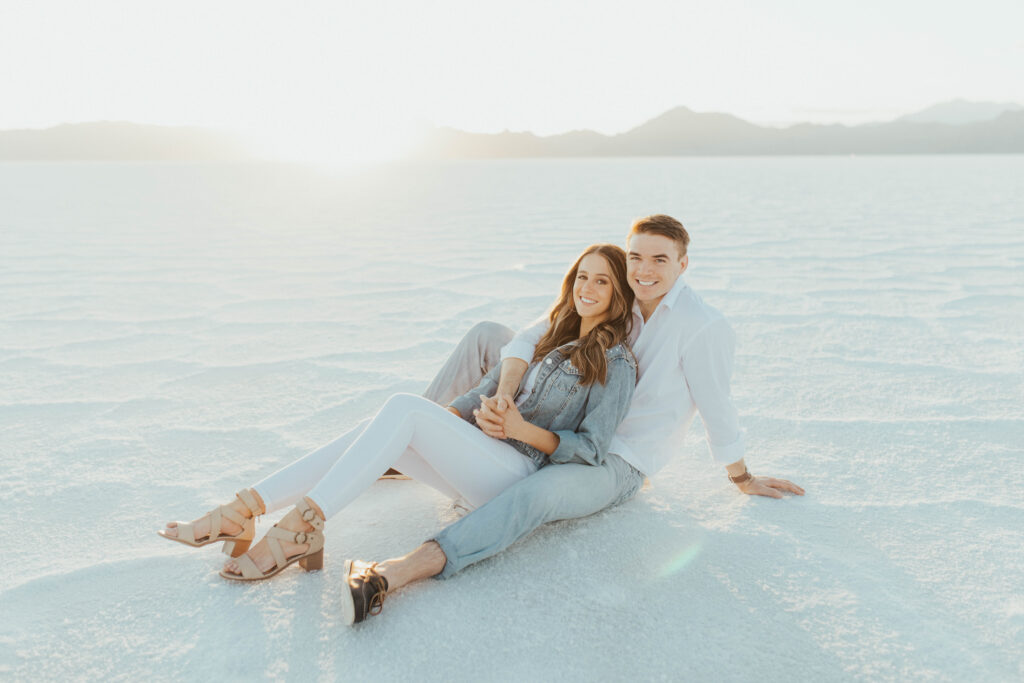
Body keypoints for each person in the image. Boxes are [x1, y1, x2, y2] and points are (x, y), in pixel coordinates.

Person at [339, 214, 803, 625]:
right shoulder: (619, 296)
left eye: (660, 260)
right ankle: (404, 445)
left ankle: (399, 571)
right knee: (489, 338)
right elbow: (529, 334)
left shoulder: (702, 325)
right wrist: (502, 392)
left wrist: (740, 475)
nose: (645, 270)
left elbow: (717, 403)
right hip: (570, 410)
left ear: (683, 265)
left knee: (541, 492)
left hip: (616, 459)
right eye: (636, 256)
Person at [158, 244, 639, 595]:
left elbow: (591, 450)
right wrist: (480, 411)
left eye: (602, 281)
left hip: (518, 475)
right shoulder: (549, 335)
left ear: (619, 294)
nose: (588, 289)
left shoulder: (616, 362)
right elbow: (485, 387)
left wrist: (520, 430)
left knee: (404, 408)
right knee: (379, 429)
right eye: (582, 276)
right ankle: (246, 510)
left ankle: (299, 527)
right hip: (485, 456)